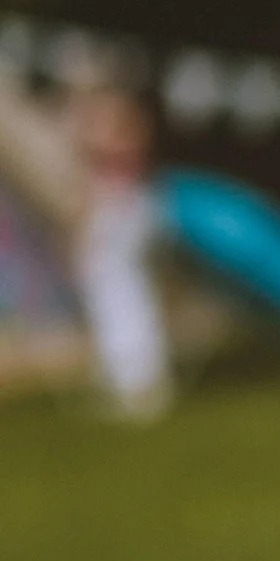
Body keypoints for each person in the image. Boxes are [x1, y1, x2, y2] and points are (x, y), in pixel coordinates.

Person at [68, 86, 170, 420]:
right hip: (115, 213)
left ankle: (138, 379)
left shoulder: (125, 139)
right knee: (111, 295)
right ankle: (125, 375)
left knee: (123, 294)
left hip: (122, 212)